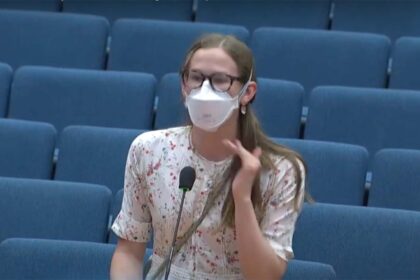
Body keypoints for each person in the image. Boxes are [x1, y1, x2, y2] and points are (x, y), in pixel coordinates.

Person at [110, 33, 306, 280]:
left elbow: (264, 276)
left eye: (220, 80)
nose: (205, 90)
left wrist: (242, 198)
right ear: (183, 86)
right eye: (196, 78)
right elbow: (129, 251)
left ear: (247, 92)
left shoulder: (282, 170)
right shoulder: (148, 150)